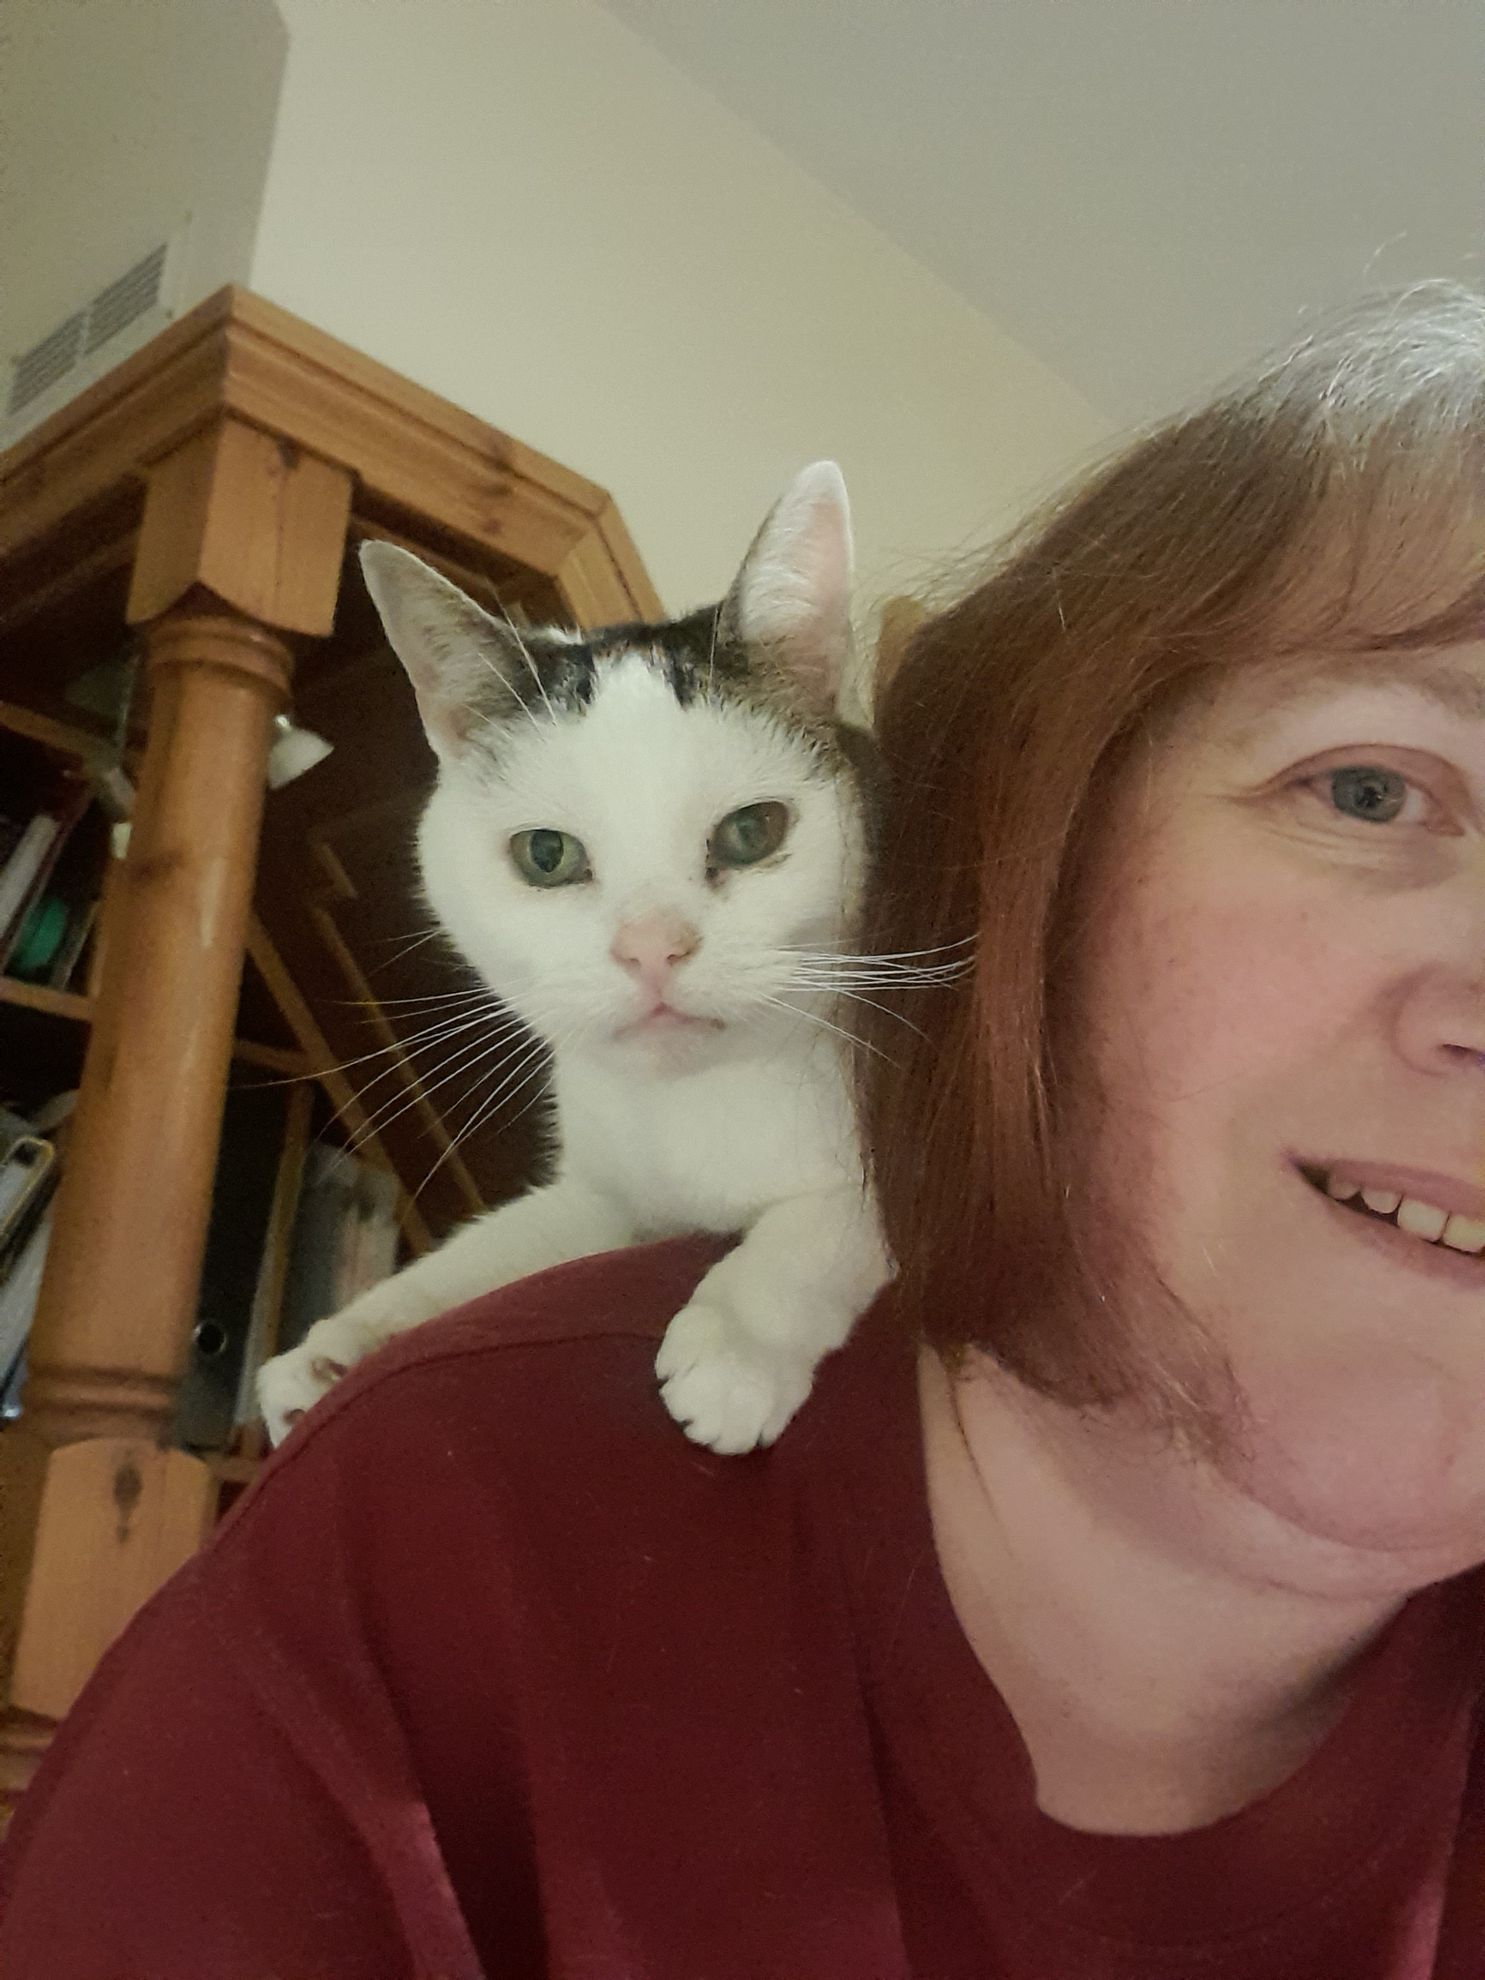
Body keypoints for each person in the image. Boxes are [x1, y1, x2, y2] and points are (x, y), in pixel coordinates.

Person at [4, 285, 1485, 1978]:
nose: (653, 948)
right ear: (1025, 846)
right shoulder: (426, 1562)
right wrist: (395, 1326)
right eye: (1368, 787)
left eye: (744, 842)